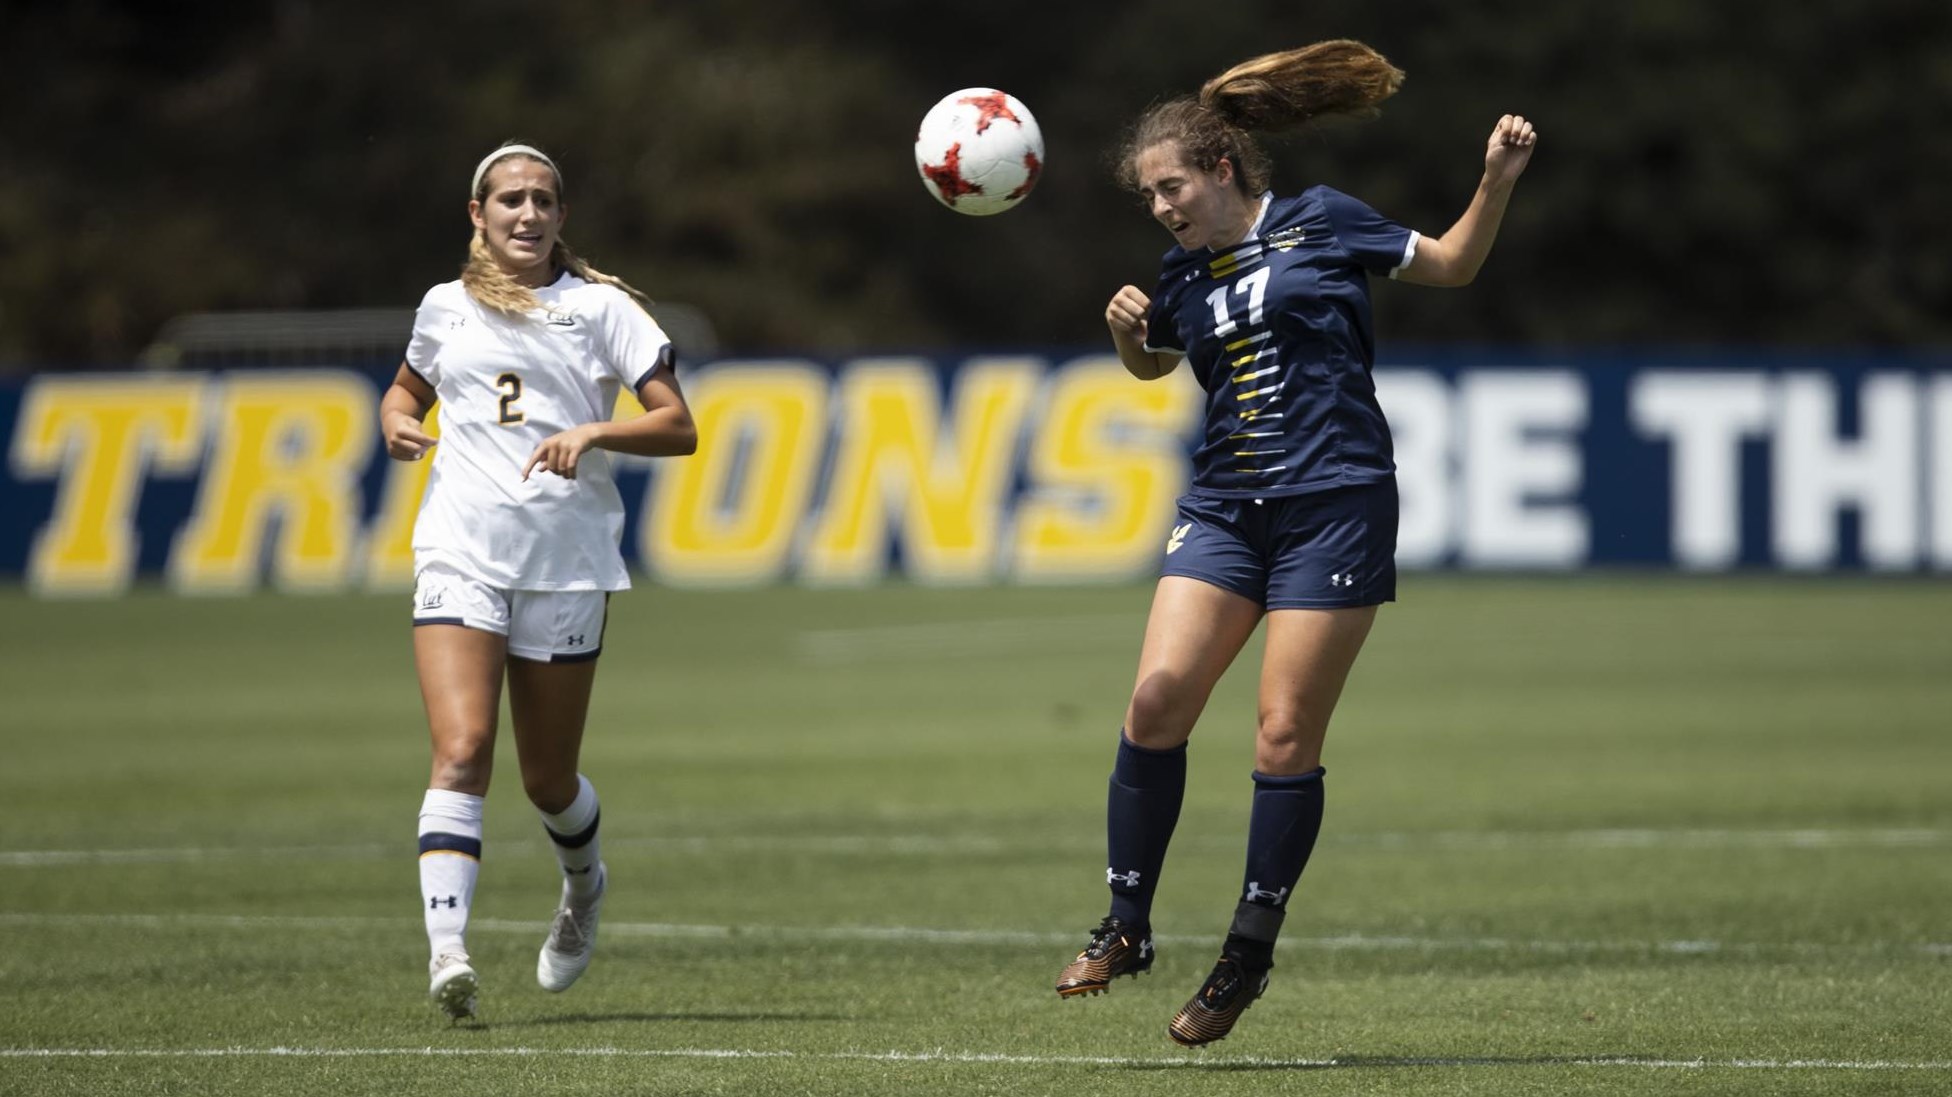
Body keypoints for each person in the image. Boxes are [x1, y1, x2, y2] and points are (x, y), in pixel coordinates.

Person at [1052, 40, 1537, 1047]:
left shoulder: (1323, 219)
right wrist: (1122, 334)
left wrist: (1492, 180)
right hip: (1226, 505)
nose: (1160, 208)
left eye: (1169, 186)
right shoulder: (1179, 271)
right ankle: (1126, 923)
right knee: (1153, 701)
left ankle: (1245, 951)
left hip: (1335, 505)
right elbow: (1151, 370)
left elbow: (1446, 264)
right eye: (1147, 196)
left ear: (1221, 169)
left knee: (1280, 735)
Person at [380, 141, 698, 1021]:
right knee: (462, 749)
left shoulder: (601, 310)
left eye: (543, 200)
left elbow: (678, 426)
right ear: (477, 216)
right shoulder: (444, 307)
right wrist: (397, 422)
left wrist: (596, 435)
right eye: (510, 200)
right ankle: (449, 951)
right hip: (459, 553)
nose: (527, 213)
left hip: (566, 565)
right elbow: (403, 393)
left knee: (547, 779)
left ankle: (584, 886)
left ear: (562, 217)